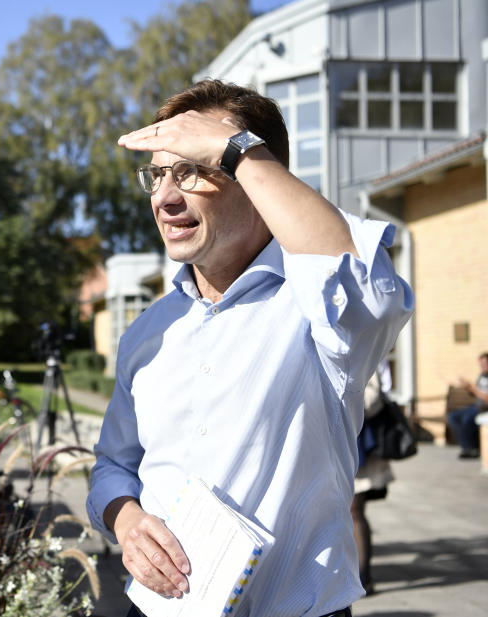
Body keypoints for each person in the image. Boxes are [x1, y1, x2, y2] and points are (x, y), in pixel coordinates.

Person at [86, 79, 413, 617]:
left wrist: (239, 149)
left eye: (192, 169)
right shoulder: (148, 332)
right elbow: (114, 466)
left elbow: (371, 291)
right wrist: (126, 518)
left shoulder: (317, 310)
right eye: (158, 176)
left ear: (255, 178)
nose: (166, 198)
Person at [350, 361, 395, 596]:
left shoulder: (367, 351)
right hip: (343, 445)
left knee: (355, 511)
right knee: (349, 513)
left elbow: (373, 399)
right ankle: (357, 576)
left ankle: (364, 577)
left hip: (360, 448)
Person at [447, 352, 488, 458]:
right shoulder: (482, 376)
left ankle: (473, 448)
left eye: (484, 364)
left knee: (467, 419)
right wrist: (468, 387)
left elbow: (486, 398)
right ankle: (466, 447)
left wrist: (473, 388)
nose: (482, 367)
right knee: (454, 416)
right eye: (481, 364)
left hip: (484, 409)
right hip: (476, 407)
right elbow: (476, 394)